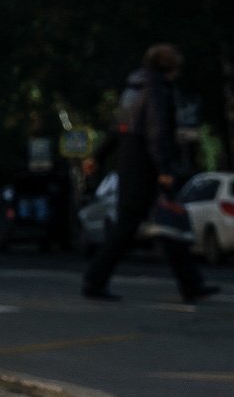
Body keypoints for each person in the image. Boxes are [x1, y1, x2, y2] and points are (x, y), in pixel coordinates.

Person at [82, 44, 219, 304]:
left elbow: (118, 127)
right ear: (169, 67)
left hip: (130, 158)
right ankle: (94, 280)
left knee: (164, 223)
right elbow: (158, 131)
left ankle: (191, 284)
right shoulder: (157, 89)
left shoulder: (133, 89)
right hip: (145, 162)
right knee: (144, 223)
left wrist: (98, 156)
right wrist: (164, 168)